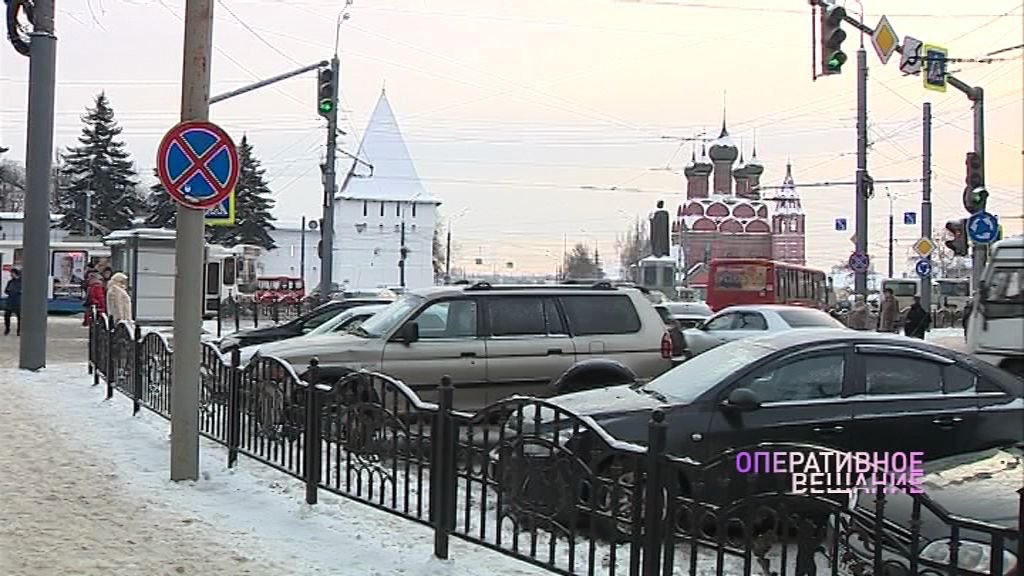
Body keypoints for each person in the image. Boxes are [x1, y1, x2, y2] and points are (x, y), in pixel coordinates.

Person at [4, 268, 22, 336]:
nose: (11, 274)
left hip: (18, 302)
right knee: (7, 316)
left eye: (12, 273)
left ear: (15, 273)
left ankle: (19, 331)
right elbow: (6, 290)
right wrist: (8, 291)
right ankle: (7, 329)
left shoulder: (22, 282)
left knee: (19, 317)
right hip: (10, 301)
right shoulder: (10, 282)